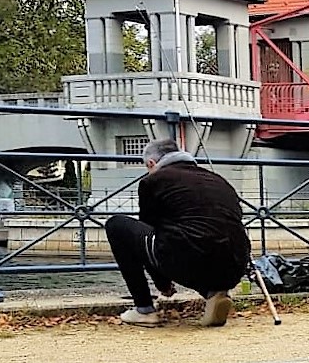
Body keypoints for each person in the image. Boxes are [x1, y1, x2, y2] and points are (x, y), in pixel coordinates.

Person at [105, 139, 251, 327]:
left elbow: (150, 233)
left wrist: (162, 283)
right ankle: (214, 293)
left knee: (116, 225)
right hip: (235, 266)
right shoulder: (217, 179)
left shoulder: (153, 181)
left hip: (187, 260)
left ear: (151, 163)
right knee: (200, 240)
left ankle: (144, 309)